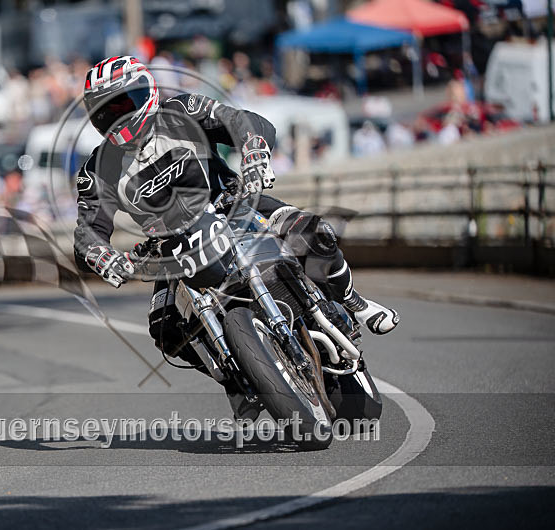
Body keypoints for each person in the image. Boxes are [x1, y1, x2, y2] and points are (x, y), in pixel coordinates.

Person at [73, 56, 399, 416]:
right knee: (163, 328)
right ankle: (238, 379)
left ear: (146, 93)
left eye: (123, 104)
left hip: (232, 205)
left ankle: (352, 301)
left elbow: (240, 121)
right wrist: (100, 254)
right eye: (105, 111)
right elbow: (88, 229)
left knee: (310, 231)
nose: (116, 116)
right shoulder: (97, 169)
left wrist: (254, 151)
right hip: (171, 248)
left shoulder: (182, 110)